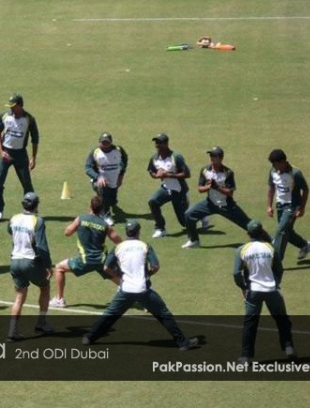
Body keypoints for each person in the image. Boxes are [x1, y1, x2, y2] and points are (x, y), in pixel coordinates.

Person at [82, 219, 199, 350]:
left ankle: (89, 337)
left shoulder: (118, 247)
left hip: (125, 290)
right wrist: (148, 274)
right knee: (164, 314)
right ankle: (182, 343)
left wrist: (119, 276)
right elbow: (156, 266)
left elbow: (106, 268)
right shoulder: (145, 246)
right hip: (143, 290)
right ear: (138, 232)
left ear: (126, 232)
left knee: (109, 315)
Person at [234, 219, 297, 364]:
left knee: (250, 323)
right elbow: (279, 269)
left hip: (253, 291)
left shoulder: (241, 250)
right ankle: (288, 347)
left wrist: (244, 288)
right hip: (272, 290)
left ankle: (246, 357)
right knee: (282, 320)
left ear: (248, 233)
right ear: (262, 232)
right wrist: (275, 284)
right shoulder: (271, 248)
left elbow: (236, 273)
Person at [50, 196, 122, 308]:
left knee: (59, 268)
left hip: (85, 261)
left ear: (90, 206)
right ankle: (140, 296)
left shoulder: (81, 219)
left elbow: (67, 232)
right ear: (102, 210)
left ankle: (59, 299)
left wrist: (76, 225)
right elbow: (119, 241)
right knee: (121, 280)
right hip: (102, 261)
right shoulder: (105, 225)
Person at [182, 147, 254, 249]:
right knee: (189, 214)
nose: (211, 157)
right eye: (211, 155)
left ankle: (267, 240)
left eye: (214, 156)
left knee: (249, 224)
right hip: (210, 204)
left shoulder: (228, 172)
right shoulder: (205, 170)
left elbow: (230, 193)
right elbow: (200, 189)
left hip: (226, 205)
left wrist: (217, 187)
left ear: (221, 158)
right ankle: (194, 240)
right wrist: (209, 187)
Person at [7, 192, 54, 341]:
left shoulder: (13, 219)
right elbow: (41, 246)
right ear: (36, 205)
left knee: (19, 296)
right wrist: (48, 266)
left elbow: (10, 231)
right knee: (45, 288)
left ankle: (12, 331)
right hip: (30, 261)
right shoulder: (37, 221)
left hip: (15, 261)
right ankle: (41, 323)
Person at [147, 133, 208, 238]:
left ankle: (201, 215)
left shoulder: (176, 157)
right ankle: (160, 228)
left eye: (160, 143)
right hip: (166, 189)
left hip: (179, 190)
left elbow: (187, 174)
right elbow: (151, 170)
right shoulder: (154, 158)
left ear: (166, 144)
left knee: (184, 222)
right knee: (153, 201)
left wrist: (168, 174)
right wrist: (156, 175)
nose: (157, 145)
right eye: (156, 142)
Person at [0, 93, 39, 221]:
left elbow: (35, 139)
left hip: (21, 154)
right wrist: (1, 151)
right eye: (10, 106)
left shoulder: (29, 119)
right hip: (6, 153)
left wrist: (33, 158)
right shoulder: (5, 116)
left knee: (27, 184)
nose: (11, 109)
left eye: (13, 106)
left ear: (20, 105)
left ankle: (31, 210)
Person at [267, 149, 310, 261]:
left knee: (280, 231)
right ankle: (304, 245)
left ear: (283, 161)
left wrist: (302, 208)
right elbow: (271, 188)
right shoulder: (273, 171)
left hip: (292, 206)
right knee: (287, 232)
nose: (273, 166)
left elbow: (305, 190)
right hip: (280, 206)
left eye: (275, 164)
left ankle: (276, 260)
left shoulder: (295, 173)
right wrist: (269, 206)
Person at [85, 132, 129, 226]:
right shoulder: (95, 152)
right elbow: (88, 168)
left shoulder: (119, 150)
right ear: (99, 142)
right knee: (103, 191)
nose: (105, 145)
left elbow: (125, 160)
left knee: (112, 201)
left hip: (114, 181)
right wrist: (98, 177)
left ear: (111, 142)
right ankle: (106, 216)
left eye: (107, 143)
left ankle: (110, 204)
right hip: (100, 181)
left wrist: (121, 176)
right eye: (103, 142)